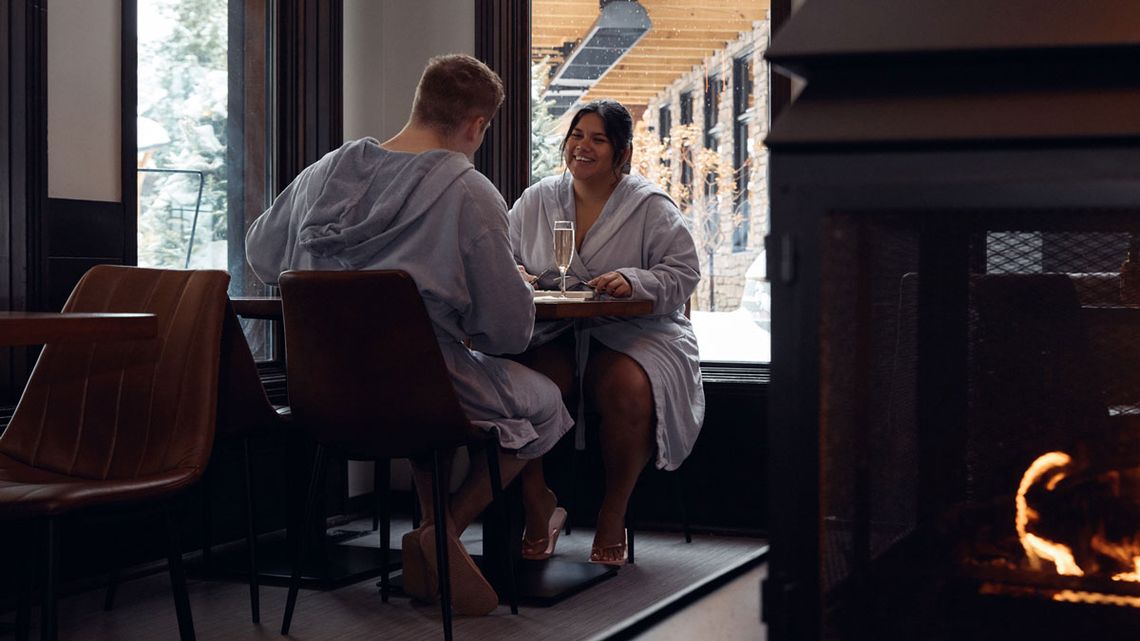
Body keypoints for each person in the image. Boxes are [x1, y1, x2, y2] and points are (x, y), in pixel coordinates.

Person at [245, 54, 573, 615]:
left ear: (419, 104)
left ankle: (433, 531)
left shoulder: (323, 173)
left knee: (446, 407)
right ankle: (441, 533)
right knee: (545, 405)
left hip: (320, 395)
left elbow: (261, 256)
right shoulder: (469, 192)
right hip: (422, 392)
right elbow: (507, 332)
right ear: (475, 126)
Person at [508, 99, 704, 566]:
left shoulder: (649, 206)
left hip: (635, 328)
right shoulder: (537, 199)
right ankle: (538, 501)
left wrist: (635, 280)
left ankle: (613, 510)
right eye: (577, 135)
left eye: (598, 139)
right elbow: (502, 255)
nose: (583, 146)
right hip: (553, 331)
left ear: (621, 152)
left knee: (627, 387)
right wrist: (515, 272)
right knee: (518, 389)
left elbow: (685, 271)